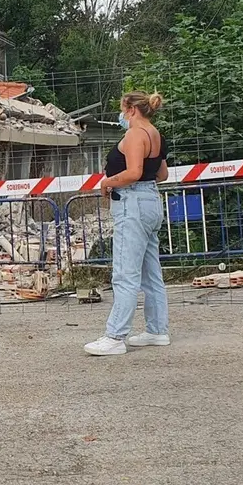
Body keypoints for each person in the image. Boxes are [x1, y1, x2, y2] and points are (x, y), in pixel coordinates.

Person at [85, 92, 171, 356]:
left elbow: (133, 172)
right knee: (150, 271)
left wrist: (108, 181)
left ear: (131, 109)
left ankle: (115, 335)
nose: (120, 115)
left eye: (122, 109)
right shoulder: (155, 134)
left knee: (125, 271)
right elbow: (162, 174)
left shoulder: (135, 135)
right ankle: (157, 330)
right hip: (150, 200)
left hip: (132, 202)